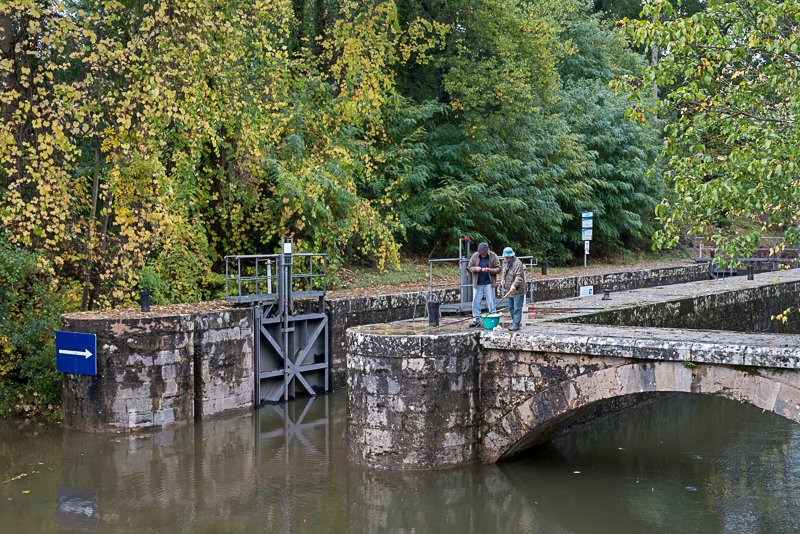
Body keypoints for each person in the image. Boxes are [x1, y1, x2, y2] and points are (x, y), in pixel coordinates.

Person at [467, 242, 501, 327]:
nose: (482, 254)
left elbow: (499, 269)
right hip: (477, 283)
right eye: (481, 253)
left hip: (489, 283)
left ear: (487, 251)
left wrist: (489, 270)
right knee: (475, 302)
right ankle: (476, 320)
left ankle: (493, 319)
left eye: (483, 253)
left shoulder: (493, 256)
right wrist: (476, 269)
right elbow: (469, 267)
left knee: (491, 301)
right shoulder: (475, 256)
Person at [500, 247, 526, 331]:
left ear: (511, 256)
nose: (506, 259)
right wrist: (503, 279)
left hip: (517, 289)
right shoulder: (505, 262)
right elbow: (503, 271)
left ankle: (516, 324)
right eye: (505, 257)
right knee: (511, 307)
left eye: (507, 257)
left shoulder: (518, 263)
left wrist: (514, 285)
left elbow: (519, 276)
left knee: (517, 307)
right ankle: (515, 321)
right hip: (509, 289)